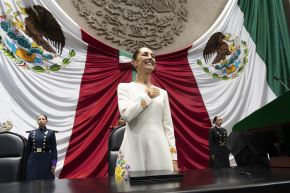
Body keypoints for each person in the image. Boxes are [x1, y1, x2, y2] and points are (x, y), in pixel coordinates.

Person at [117, 47, 178, 172]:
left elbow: (168, 127)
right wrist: (147, 97)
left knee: (162, 188)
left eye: (153, 56)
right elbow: (126, 115)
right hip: (133, 147)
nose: (150, 57)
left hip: (159, 149)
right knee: (128, 188)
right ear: (134, 63)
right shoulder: (124, 87)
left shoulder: (163, 93)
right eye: (145, 54)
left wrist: (174, 158)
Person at [26, 114, 57, 180]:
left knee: (46, 180)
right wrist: (26, 162)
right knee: (32, 178)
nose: (41, 120)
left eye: (43, 119)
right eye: (39, 119)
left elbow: (54, 149)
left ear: (46, 121)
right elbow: (28, 149)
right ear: (37, 121)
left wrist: (54, 164)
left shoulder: (51, 133)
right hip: (33, 158)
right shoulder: (32, 133)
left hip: (46, 158)